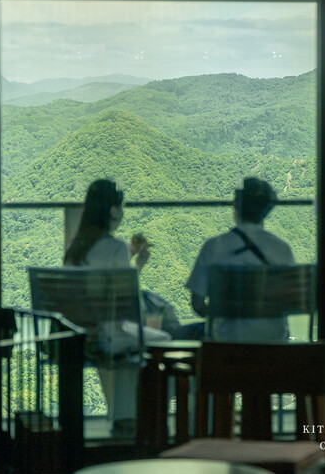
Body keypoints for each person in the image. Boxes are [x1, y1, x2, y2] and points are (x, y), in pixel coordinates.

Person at [63, 179, 172, 437]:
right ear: (113, 210)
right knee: (162, 340)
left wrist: (128, 255)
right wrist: (139, 265)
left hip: (78, 337)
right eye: (121, 206)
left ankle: (123, 417)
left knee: (129, 339)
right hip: (107, 337)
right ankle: (136, 417)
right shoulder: (115, 247)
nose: (122, 211)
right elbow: (126, 304)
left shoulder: (75, 249)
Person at [185, 177, 294, 340]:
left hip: (226, 347)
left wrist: (226, 316)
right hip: (274, 345)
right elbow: (289, 302)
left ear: (235, 205)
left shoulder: (213, 246)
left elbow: (198, 305)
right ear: (268, 210)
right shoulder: (282, 249)